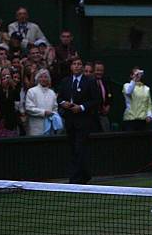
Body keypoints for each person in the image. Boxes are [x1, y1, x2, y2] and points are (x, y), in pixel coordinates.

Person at [57, 56, 101, 184]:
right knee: (72, 148)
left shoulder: (90, 81)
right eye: (74, 64)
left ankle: (75, 179)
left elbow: (96, 100)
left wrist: (81, 107)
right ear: (71, 67)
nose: (77, 66)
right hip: (70, 120)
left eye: (79, 64)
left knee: (80, 148)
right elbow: (59, 98)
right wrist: (63, 103)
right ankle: (83, 175)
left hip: (83, 120)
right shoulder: (65, 81)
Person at [25, 68, 59, 136]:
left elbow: (55, 108)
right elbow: (29, 108)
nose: (43, 79)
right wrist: (44, 112)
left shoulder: (52, 93)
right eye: (41, 77)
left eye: (46, 77)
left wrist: (53, 115)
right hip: (35, 128)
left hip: (50, 128)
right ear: (37, 79)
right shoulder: (31, 91)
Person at [0, 67, 21, 138]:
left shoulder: (15, 87)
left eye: (8, 75)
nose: (6, 78)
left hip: (11, 120)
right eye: (3, 75)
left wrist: (13, 86)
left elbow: (17, 101)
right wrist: (3, 88)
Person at [122, 67, 152, 131]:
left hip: (143, 120)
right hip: (130, 120)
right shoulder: (126, 85)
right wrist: (134, 79)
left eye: (139, 74)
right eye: (135, 74)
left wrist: (149, 115)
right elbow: (128, 92)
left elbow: (149, 104)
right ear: (131, 75)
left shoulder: (146, 88)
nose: (137, 75)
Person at [94, 61, 113, 132]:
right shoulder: (90, 82)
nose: (99, 72)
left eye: (101, 70)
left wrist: (108, 105)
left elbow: (110, 95)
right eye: (97, 70)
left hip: (103, 114)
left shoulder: (106, 81)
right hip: (93, 115)